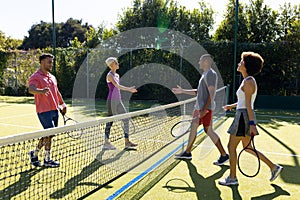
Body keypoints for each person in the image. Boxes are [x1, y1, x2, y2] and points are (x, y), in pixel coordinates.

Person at [219, 52, 283, 186]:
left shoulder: (248, 82)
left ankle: (232, 178)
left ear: (246, 66)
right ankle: (274, 167)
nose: (239, 63)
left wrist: (253, 124)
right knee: (248, 148)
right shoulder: (247, 80)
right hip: (242, 115)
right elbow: (244, 101)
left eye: (241, 62)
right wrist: (231, 106)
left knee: (231, 147)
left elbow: (248, 105)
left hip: (243, 117)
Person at [172, 54, 229, 165]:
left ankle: (224, 155)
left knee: (208, 130)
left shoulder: (211, 74)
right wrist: (183, 91)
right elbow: (198, 92)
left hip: (204, 108)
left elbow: (211, 93)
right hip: (199, 107)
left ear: (206, 61)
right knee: (195, 128)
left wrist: (204, 110)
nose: (199, 62)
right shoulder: (205, 74)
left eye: (200, 60)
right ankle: (188, 152)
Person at [28, 53, 66, 167]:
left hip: (55, 110)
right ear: (42, 62)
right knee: (49, 133)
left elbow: (57, 92)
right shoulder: (36, 76)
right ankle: (47, 159)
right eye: (49, 62)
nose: (51, 64)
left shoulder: (52, 77)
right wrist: (40, 91)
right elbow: (31, 89)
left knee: (50, 134)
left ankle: (34, 153)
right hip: (44, 111)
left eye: (52, 62)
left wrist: (62, 104)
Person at [103, 57, 138, 150]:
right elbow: (117, 86)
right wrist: (129, 89)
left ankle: (127, 142)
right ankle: (106, 143)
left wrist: (128, 89)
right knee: (110, 121)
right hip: (111, 101)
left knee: (126, 119)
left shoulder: (117, 75)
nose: (117, 63)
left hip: (118, 101)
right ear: (111, 65)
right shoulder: (109, 75)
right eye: (115, 62)